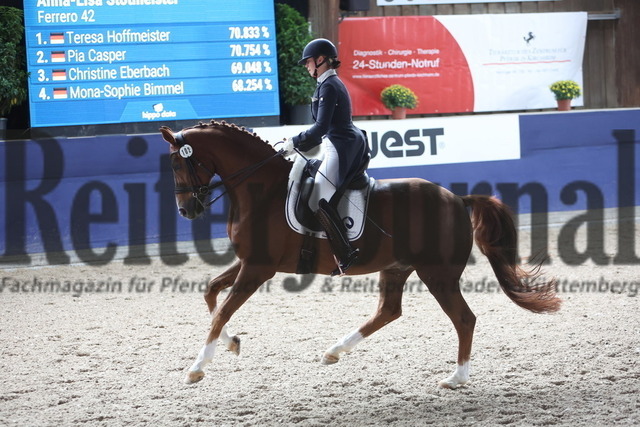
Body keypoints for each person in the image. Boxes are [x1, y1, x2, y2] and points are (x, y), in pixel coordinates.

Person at [282, 38, 370, 276]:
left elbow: (320, 128)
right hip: (338, 142)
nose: (306, 66)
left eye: (308, 61)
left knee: (317, 199)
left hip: (341, 146)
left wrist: (294, 142)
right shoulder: (326, 84)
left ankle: (345, 253)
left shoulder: (330, 85)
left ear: (321, 60)